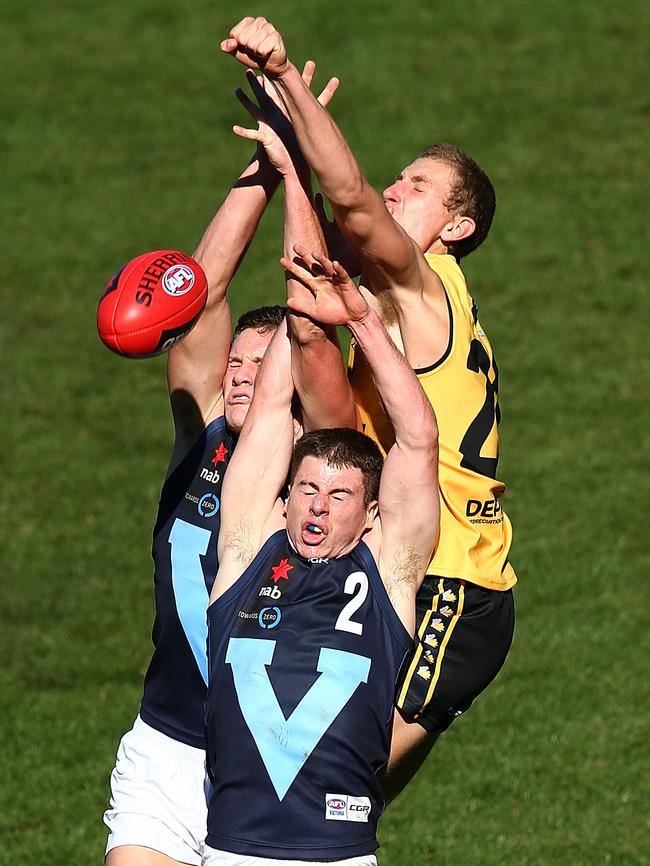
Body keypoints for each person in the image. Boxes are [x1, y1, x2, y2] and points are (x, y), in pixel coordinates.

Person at [221, 16, 516, 801]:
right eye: (400, 178)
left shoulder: (422, 287)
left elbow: (349, 201)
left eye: (418, 188)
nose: (395, 189)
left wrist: (285, 76)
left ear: (456, 227)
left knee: (316, 792)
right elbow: (315, 283)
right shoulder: (384, 312)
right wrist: (290, 172)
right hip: (410, 574)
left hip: (452, 588)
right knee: (332, 808)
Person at [103, 64, 342, 866]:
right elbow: (196, 299)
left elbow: (312, 329)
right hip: (165, 751)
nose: (239, 373)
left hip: (268, 767)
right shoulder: (201, 435)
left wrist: (307, 184)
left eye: (258, 363)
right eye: (232, 361)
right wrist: (267, 169)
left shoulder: (315, 475)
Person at [202, 249, 439, 866]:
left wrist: (358, 317)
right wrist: (298, 313)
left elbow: (417, 438)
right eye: (306, 489)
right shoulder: (247, 549)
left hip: (337, 856)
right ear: (285, 499)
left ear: (371, 516)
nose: (317, 508)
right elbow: (270, 412)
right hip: (232, 852)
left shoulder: (389, 574)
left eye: (339, 496)